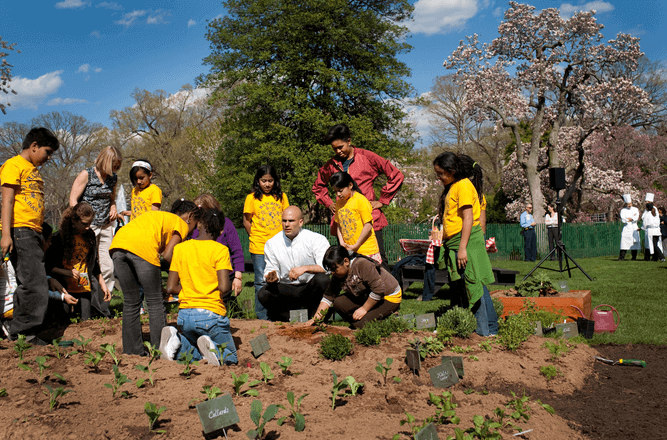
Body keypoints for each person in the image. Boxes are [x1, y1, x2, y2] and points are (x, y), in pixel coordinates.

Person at [110, 199, 200, 355]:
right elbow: (167, 255)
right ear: (190, 216)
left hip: (117, 245)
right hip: (142, 249)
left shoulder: (161, 217)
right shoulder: (181, 223)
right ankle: (161, 349)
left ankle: (132, 351)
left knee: (131, 301)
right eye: (195, 226)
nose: (191, 231)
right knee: (155, 301)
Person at [312, 123, 404, 266]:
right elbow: (318, 187)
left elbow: (395, 175)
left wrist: (383, 200)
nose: (338, 151)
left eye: (340, 147)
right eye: (334, 148)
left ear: (349, 141)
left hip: (369, 219)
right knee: (348, 261)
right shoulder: (330, 165)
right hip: (345, 222)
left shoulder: (367, 157)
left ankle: (390, 288)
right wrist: (329, 203)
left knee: (378, 260)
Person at [1, 127, 59, 344]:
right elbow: (6, 200)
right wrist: (6, 234)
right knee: (35, 284)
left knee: (28, 282)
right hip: (19, 230)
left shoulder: (32, 169)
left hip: (32, 232)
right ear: (34, 146)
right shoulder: (13, 165)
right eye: (47, 151)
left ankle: (18, 332)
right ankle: (24, 335)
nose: (48, 157)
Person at [161, 209, 238, 366]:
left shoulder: (180, 249)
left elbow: (170, 288)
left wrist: (192, 289)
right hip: (211, 314)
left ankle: (179, 343)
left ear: (199, 225)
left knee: (194, 352)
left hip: (184, 316)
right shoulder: (220, 250)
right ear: (221, 230)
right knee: (230, 358)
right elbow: (224, 287)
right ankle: (213, 348)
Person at [433, 152, 496, 336]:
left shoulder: (464, 186)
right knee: (472, 285)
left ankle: (484, 332)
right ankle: (489, 329)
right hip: (457, 242)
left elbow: (468, 218)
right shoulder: (454, 186)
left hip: (466, 242)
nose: (439, 177)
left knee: (473, 284)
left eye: (441, 173)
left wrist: (462, 248)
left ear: (452, 171)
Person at [69, 146, 123, 315]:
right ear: (105, 162)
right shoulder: (86, 175)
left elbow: (111, 198)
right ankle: (85, 307)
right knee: (89, 266)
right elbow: (73, 200)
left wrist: (113, 207)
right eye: (113, 165)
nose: (115, 170)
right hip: (88, 226)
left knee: (108, 267)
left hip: (106, 225)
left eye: (117, 167)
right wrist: (80, 223)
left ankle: (102, 307)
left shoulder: (112, 179)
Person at [257, 206, 331, 321]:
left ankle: (316, 318)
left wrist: (305, 269)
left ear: (300, 222)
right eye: (284, 221)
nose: (287, 224)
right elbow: (271, 268)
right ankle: (287, 320)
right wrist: (271, 276)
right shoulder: (272, 243)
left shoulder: (316, 239)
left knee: (323, 280)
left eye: (291, 221)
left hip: (309, 287)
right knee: (264, 293)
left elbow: (327, 267)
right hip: (287, 288)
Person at [308, 245, 401, 329]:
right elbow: (328, 297)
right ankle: (367, 318)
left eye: (334, 269)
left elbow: (378, 290)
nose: (332, 273)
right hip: (368, 295)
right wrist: (315, 319)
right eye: (330, 270)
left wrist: (364, 309)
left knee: (359, 325)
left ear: (346, 261)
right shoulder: (338, 275)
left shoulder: (362, 264)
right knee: (339, 303)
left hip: (388, 296)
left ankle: (388, 318)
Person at [45, 203, 110, 322]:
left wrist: (103, 285)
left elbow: (93, 263)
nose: (88, 227)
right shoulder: (59, 238)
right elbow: (49, 267)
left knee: (86, 321)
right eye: (84, 224)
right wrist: (67, 272)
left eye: (90, 223)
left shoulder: (90, 235)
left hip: (83, 286)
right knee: (63, 320)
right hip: (64, 288)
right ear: (74, 221)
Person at [243, 164, 289, 320]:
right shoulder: (251, 198)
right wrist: (255, 236)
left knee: (280, 279)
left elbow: (287, 218)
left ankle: (279, 313)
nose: (267, 184)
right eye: (264, 181)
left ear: (275, 181)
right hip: (259, 246)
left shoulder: (281, 197)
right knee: (260, 281)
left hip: (279, 246)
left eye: (270, 181)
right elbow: (246, 221)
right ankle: (262, 316)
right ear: (258, 181)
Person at [192, 194, 245, 306]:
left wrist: (238, 277)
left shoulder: (226, 224)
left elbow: (237, 251)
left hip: (223, 273)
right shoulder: (194, 227)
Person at [329, 171, 382, 264]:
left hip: (367, 251)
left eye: (340, 190)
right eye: (335, 191)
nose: (338, 194)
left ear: (350, 185)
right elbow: (339, 224)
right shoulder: (339, 203)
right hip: (350, 251)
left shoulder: (361, 200)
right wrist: (341, 242)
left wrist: (356, 245)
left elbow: (368, 225)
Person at [641, 195, 664, 262]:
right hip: (656, 230)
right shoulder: (651, 210)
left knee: (653, 245)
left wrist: (642, 227)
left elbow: (645, 220)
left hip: (651, 230)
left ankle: (660, 257)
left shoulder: (650, 211)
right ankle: (654, 258)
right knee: (653, 244)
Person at [619, 194, 640, 261]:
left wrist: (631, 218)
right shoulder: (623, 210)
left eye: (630, 204)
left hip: (634, 227)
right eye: (628, 204)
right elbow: (623, 219)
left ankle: (634, 257)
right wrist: (630, 218)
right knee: (624, 243)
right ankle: (621, 257)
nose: (629, 205)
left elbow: (636, 217)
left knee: (634, 243)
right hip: (626, 227)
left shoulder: (635, 209)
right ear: (626, 204)